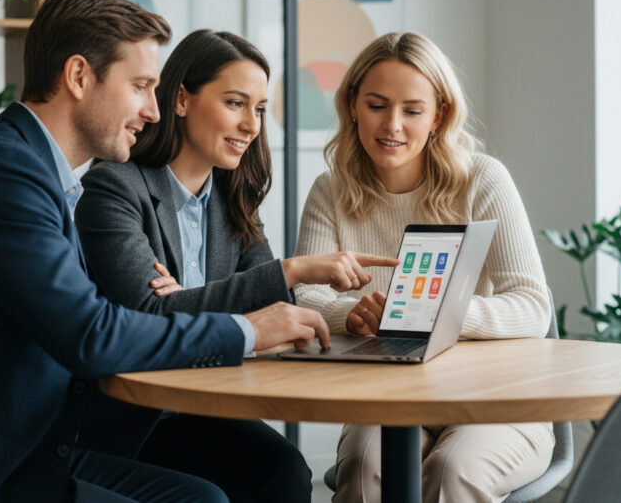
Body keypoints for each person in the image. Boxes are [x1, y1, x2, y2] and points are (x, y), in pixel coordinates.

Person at [0, 0, 334, 503]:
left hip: (19, 448)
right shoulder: (2, 171)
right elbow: (92, 334)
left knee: (222, 490)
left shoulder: (40, 174)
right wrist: (246, 329)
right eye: (140, 86)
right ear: (78, 77)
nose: (153, 111)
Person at [75, 28, 398, 503]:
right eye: (235, 103)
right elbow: (148, 314)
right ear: (181, 99)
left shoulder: (232, 199)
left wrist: (188, 301)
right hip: (138, 419)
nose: (252, 125)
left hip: (208, 405)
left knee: (287, 472)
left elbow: (274, 314)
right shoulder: (114, 188)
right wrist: (290, 271)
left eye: (260, 109)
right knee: (226, 489)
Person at [294, 32, 555, 503]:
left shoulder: (483, 179)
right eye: (376, 105)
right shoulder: (330, 190)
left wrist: (436, 313)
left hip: (496, 400)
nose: (392, 125)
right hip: (390, 399)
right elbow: (306, 297)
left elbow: (533, 306)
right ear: (352, 105)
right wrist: (351, 314)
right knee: (364, 470)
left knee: (451, 473)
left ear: (439, 116)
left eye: (412, 111)